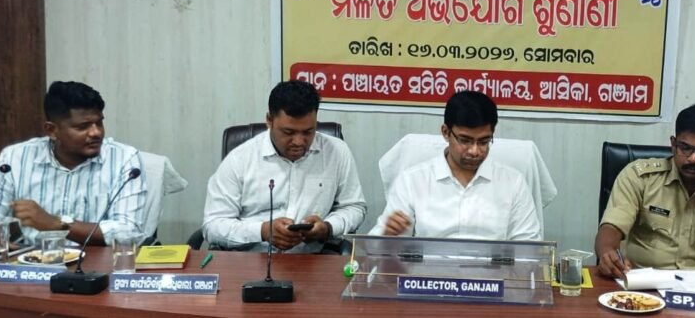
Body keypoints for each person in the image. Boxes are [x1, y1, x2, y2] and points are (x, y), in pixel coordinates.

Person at [203, 80, 366, 252]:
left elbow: (354, 207)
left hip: (312, 259)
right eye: (288, 132)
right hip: (252, 258)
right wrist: (262, 231)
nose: (299, 142)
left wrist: (328, 227)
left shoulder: (336, 152)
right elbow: (213, 225)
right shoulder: (240, 159)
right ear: (269, 120)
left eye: (308, 132)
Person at [595, 104, 695, 278]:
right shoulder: (640, 177)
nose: (693, 158)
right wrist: (607, 252)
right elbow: (611, 227)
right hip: (643, 283)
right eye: (685, 148)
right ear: (673, 144)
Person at [0, 81, 146, 245]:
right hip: (33, 257)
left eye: (99, 123)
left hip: (96, 259)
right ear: (52, 130)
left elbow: (128, 232)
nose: (96, 132)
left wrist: (56, 224)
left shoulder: (123, 159)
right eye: (83, 127)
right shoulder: (15, 158)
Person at [369, 90, 541, 240]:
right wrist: (388, 235)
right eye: (465, 140)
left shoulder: (513, 183)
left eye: (483, 142)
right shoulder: (412, 181)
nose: (474, 151)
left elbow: (529, 247)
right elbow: (377, 245)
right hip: (430, 267)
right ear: (446, 132)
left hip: (492, 268)